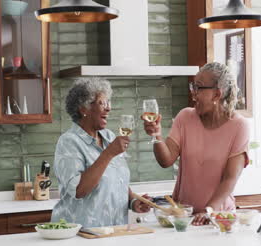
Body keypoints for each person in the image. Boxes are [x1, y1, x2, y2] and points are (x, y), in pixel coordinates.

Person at [142, 62, 250, 225]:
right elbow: (166, 160)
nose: (193, 94)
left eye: (198, 88)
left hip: (218, 219)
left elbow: (230, 178)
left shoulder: (239, 126)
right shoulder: (185, 117)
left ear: (216, 94)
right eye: (192, 86)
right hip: (183, 216)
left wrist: (209, 211)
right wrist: (157, 135)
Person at [52, 77, 150, 228]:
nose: (108, 108)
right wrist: (108, 154)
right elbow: (79, 190)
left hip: (113, 232)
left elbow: (118, 181)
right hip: (81, 234)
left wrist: (133, 202)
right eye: (102, 103)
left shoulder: (109, 137)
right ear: (83, 108)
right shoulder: (69, 142)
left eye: (108, 102)